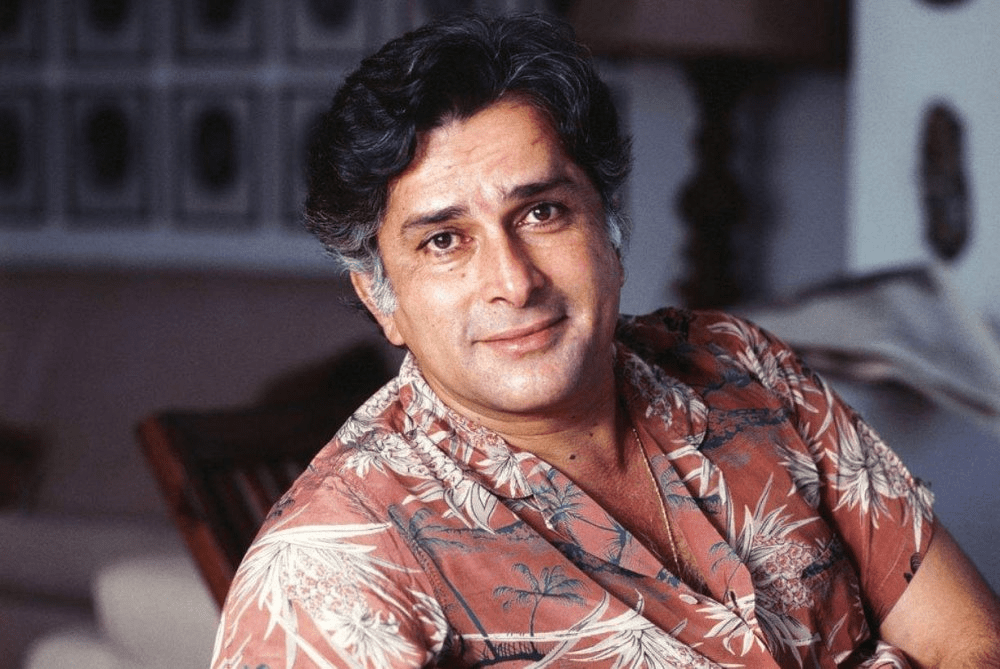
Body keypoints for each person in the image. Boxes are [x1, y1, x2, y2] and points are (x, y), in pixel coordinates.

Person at [211, 12, 1000, 668]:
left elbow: (970, 638)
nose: (514, 281)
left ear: (610, 229)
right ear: (379, 296)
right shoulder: (324, 575)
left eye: (542, 212)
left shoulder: (743, 364)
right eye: (444, 240)